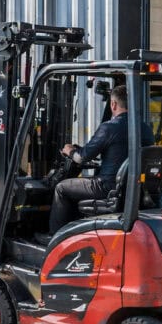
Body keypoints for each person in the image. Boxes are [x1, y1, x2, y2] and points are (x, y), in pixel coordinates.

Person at [47, 85, 154, 236]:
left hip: (107, 187)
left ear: (113, 104)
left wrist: (69, 150)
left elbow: (82, 157)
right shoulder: (145, 128)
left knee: (61, 188)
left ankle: (54, 237)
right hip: (134, 189)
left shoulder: (109, 128)